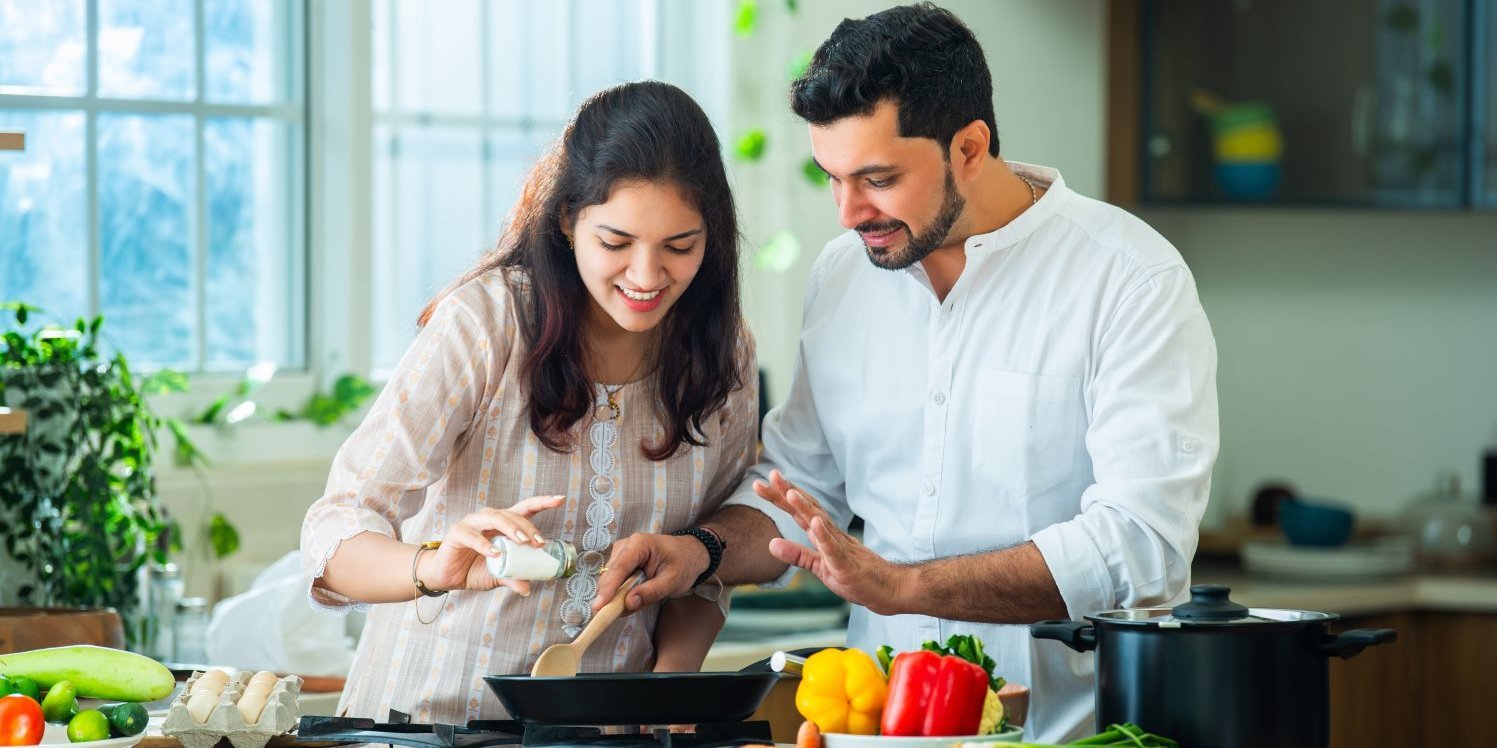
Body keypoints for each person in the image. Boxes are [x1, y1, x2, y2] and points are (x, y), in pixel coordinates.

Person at [593, 5, 1219, 742]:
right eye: (831, 177)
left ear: (969, 146)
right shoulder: (842, 276)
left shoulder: (1127, 277)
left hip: (1072, 728)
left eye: (877, 178)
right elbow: (802, 489)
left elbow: (1139, 543)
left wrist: (903, 587)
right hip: (877, 729)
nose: (847, 212)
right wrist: (699, 553)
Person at [300, 80, 758, 725]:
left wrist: (668, 688)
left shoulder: (722, 354)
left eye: (680, 246)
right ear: (569, 221)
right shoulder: (487, 323)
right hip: (426, 721)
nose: (648, 276)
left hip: (606, 736)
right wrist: (437, 566)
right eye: (617, 243)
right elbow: (336, 532)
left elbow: (702, 566)